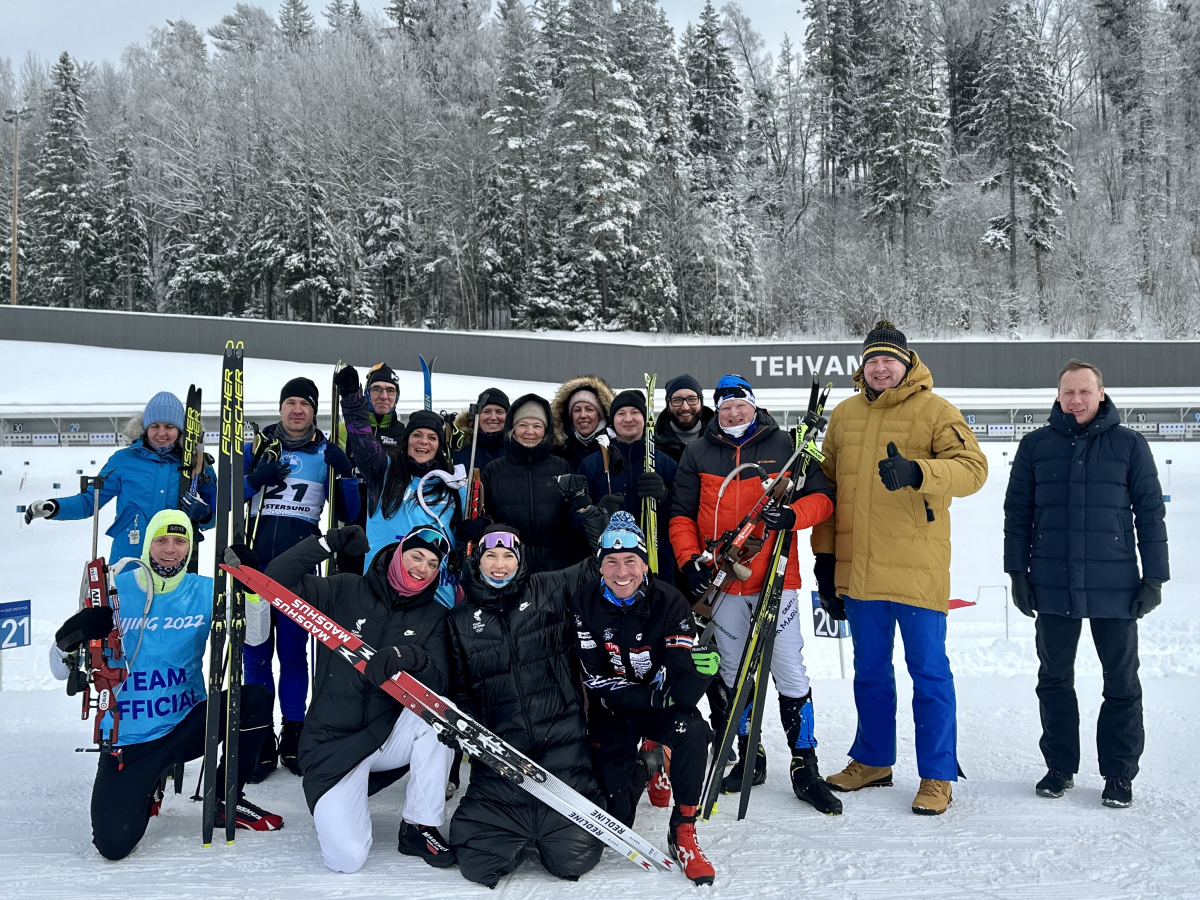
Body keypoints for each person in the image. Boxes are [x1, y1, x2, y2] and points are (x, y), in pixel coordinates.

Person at [812, 320, 987, 816]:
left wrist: (919, 472)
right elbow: (827, 493)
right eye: (873, 360)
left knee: (928, 673)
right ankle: (872, 760)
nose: (881, 367)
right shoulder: (844, 416)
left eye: (889, 359)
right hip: (861, 571)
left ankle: (936, 774)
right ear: (862, 368)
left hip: (916, 568)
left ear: (907, 364)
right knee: (868, 672)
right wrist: (825, 560)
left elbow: (974, 469)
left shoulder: (935, 410)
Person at [48, 509, 282, 860]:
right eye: (161, 540)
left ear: (189, 547)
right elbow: (60, 671)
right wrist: (68, 638)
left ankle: (224, 797)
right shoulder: (114, 590)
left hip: (188, 725)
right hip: (129, 736)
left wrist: (252, 589)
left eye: (179, 540)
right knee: (113, 845)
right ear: (147, 544)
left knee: (256, 698)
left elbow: (257, 636)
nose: (170, 550)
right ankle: (148, 787)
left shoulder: (205, 590)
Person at [670, 373, 842, 816]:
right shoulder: (698, 451)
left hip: (776, 580)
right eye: (724, 406)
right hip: (723, 581)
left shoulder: (786, 446)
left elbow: (824, 498)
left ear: (752, 405)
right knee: (732, 671)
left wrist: (792, 515)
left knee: (788, 667)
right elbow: (681, 515)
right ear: (717, 410)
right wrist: (690, 559)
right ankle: (749, 753)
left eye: (740, 404)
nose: (732, 412)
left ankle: (805, 765)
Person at [1003, 359, 1168, 809]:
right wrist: (1017, 572)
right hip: (1052, 583)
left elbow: (1150, 514)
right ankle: (1059, 766)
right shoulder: (1035, 445)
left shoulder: (1130, 445)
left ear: (1101, 394)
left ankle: (1118, 773)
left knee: (1121, 680)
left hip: (1116, 584)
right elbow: (1017, 514)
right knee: (1054, 678)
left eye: (1084, 392)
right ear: (1058, 396)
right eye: (1068, 392)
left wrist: (1154, 576)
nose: (1076, 400)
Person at [262, 523, 457, 873]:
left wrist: (412, 657)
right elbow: (275, 581)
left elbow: (439, 680)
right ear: (398, 555)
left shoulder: (433, 616)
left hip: (385, 736)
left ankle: (419, 825)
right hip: (332, 745)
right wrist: (326, 543)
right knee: (347, 859)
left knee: (442, 717)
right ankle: (340, 801)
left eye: (432, 564)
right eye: (416, 556)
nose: (422, 568)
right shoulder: (345, 589)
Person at [446, 517, 610, 887]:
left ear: (521, 560)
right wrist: (466, 723)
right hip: (503, 750)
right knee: (476, 861)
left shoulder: (548, 588)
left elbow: (599, 564)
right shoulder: (459, 619)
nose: (499, 565)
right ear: (478, 560)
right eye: (491, 556)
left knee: (575, 859)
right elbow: (460, 686)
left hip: (561, 741)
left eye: (508, 556)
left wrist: (589, 515)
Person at [568, 512, 716, 885]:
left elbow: (681, 689)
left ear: (645, 563)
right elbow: (594, 678)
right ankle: (649, 763)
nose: (622, 572)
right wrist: (655, 698)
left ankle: (683, 830)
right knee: (616, 820)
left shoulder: (671, 602)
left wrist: (701, 674)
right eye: (611, 562)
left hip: (656, 707)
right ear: (599, 566)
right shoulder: (582, 601)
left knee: (692, 728)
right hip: (613, 710)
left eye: (631, 561)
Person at [242, 376, 357, 781]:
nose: (297, 410)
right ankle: (258, 733)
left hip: (299, 575)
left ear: (313, 411)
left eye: (304, 404)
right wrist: (254, 479)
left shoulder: (325, 452)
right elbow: (224, 503)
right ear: (280, 408)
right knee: (255, 655)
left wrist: (346, 476)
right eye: (290, 402)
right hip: (252, 572)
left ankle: (294, 729)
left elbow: (350, 514)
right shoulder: (255, 448)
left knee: (292, 655)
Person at [25, 391, 217, 563]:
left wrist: (205, 515)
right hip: (129, 553)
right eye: (154, 426)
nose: (161, 433)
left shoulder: (197, 461)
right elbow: (89, 501)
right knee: (126, 602)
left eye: (169, 426)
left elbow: (218, 512)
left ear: (180, 430)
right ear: (144, 428)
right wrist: (55, 508)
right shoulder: (123, 460)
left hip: (175, 556)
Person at [335, 365, 467, 608]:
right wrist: (353, 400)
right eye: (417, 435)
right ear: (406, 441)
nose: (423, 442)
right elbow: (363, 442)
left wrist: (480, 528)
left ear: (439, 445)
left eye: (432, 437)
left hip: (436, 600)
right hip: (383, 592)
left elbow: (470, 534)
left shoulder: (455, 485)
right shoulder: (383, 474)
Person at [476, 394, 589, 574]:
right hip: (509, 569)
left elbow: (573, 522)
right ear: (512, 428)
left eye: (537, 426)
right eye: (523, 425)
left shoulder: (561, 467)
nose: (530, 432)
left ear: (546, 430)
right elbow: (485, 516)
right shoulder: (494, 470)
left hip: (557, 568)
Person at [578, 388, 678, 577]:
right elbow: (572, 519)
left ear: (645, 418)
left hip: (657, 564)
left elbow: (683, 514)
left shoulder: (665, 463)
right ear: (613, 420)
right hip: (608, 566)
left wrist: (664, 497)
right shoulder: (592, 465)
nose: (628, 419)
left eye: (635, 412)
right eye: (621, 413)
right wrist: (597, 513)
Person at [336, 363, 406, 576]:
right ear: (366, 393)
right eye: (376, 389)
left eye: (390, 390)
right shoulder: (343, 431)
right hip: (352, 522)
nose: (384, 395)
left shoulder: (405, 434)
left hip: (389, 526)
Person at [552, 375, 615, 472]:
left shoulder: (614, 447)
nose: (583, 415)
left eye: (589, 409)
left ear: (600, 415)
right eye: (577, 410)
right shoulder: (557, 451)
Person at [653, 375, 714, 464]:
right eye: (677, 400)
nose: (685, 407)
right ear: (668, 405)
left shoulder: (718, 439)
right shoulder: (653, 445)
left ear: (701, 402)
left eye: (692, 399)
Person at [451, 387, 510, 473]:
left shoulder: (517, 449)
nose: (493, 417)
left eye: (499, 411)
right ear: (477, 416)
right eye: (487, 411)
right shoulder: (459, 448)